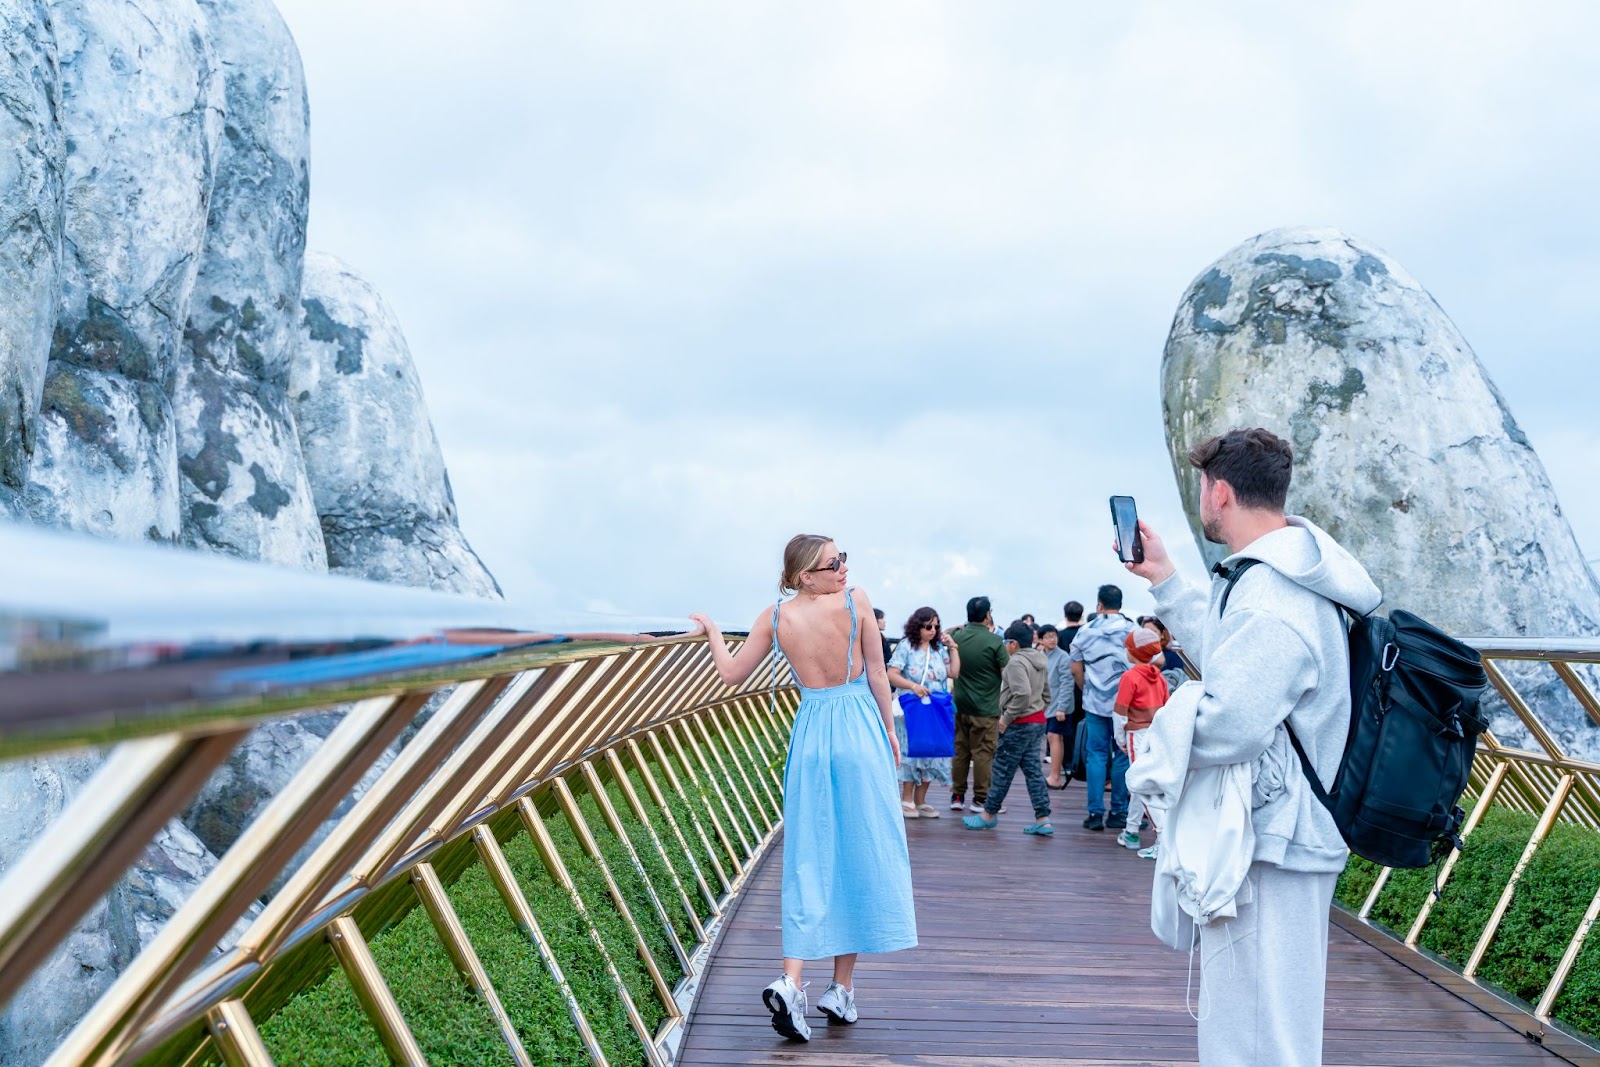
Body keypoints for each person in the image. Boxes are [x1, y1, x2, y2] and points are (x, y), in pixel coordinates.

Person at [1124, 427, 1380, 1067]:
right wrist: (1167, 580)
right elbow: (1245, 674)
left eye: (1202, 489)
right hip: (1279, 833)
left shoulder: (1273, 593)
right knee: (1263, 1025)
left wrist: (1156, 745)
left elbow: (1234, 720)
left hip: (1273, 837)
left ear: (1221, 492)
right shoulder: (1282, 579)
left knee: (1260, 1036)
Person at [689, 534, 917, 1042]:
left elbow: (729, 674)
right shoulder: (856, 601)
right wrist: (888, 733)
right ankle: (841, 988)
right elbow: (877, 673)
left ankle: (791, 981)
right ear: (804, 575)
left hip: (812, 735)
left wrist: (709, 632)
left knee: (810, 855)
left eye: (843, 558)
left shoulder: (775, 616)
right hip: (859, 729)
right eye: (832, 563)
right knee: (859, 852)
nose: (843, 567)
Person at [963, 620, 1053, 834]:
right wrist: (1038, 708)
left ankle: (988, 814)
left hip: (1019, 723)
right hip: (1037, 720)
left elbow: (1021, 694)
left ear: (1013, 643)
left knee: (1002, 769)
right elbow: (1047, 693)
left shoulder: (1016, 663)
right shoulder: (1040, 660)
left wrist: (1006, 718)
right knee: (1033, 771)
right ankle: (1043, 818)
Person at [1068, 585, 1135, 831]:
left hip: (1094, 702)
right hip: (1126, 705)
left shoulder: (1085, 631)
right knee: (1122, 754)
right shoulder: (1131, 630)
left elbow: (1075, 667)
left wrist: (1086, 687)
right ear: (1120, 602)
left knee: (1096, 755)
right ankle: (1118, 811)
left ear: (1099, 604)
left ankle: (1095, 813)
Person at [886, 606, 959, 818]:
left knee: (931, 751)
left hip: (934, 708)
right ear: (918, 626)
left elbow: (954, 672)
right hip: (913, 708)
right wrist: (912, 686)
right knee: (911, 750)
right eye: (928, 626)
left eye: (936, 626)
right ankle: (906, 798)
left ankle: (920, 800)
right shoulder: (906, 647)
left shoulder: (938, 650)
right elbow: (892, 674)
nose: (933, 630)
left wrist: (953, 647)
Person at [1112, 626, 1170, 855]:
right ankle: (1131, 830)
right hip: (1156, 734)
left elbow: (1120, 713)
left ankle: (1163, 838)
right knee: (1141, 783)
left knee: (1141, 785)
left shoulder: (1129, 677)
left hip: (1136, 734)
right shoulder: (1160, 678)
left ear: (1134, 652)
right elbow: (1166, 710)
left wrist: (1120, 739)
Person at [950, 596, 1008, 813]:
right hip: (986, 708)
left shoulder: (957, 636)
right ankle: (981, 799)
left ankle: (957, 795)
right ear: (987, 615)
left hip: (960, 705)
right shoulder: (994, 641)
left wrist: (959, 627)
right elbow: (1007, 673)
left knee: (960, 750)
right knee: (983, 753)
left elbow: (942, 634)